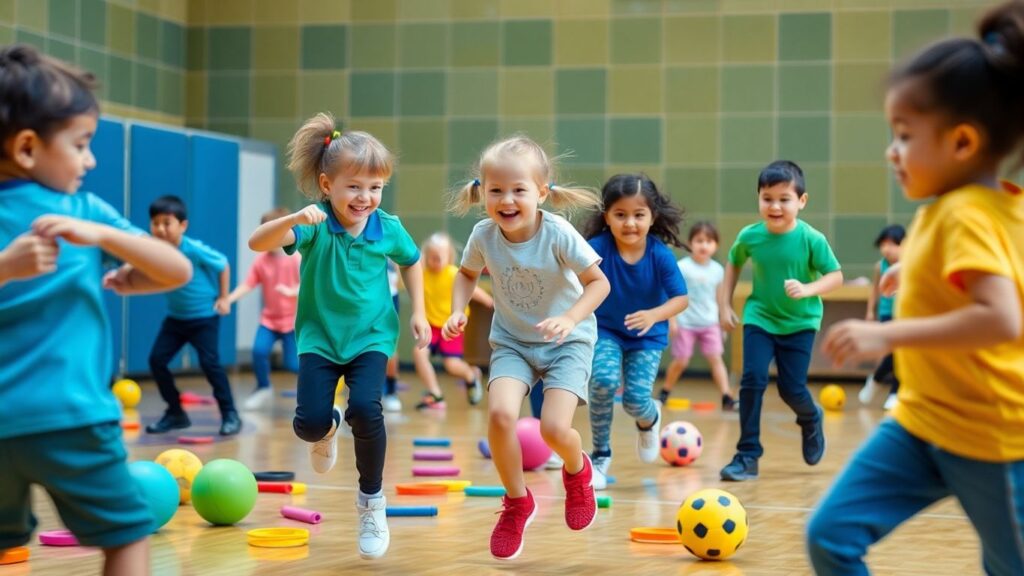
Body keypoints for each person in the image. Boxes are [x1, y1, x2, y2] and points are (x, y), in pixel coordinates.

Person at [809, 4, 1024, 573]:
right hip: (922, 422)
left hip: (991, 438)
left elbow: (1002, 317)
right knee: (831, 535)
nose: (891, 151)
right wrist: (915, 273)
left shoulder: (966, 213)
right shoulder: (959, 208)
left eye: (904, 136)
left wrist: (887, 335)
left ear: (962, 142)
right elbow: (971, 268)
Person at [0, 44, 192, 575]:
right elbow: (179, 270)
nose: (91, 161)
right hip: (75, 418)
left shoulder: (84, 215)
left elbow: (173, 270)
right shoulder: (81, 208)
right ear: (27, 148)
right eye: (81, 145)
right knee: (128, 536)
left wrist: (108, 241)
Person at [248, 113, 430, 560]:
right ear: (327, 185)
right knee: (309, 423)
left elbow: (411, 260)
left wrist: (420, 312)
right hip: (319, 339)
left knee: (366, 409)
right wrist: (294, 216)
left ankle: (371, 501)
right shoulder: (313, 225)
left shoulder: (387, 227)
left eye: (375, 187)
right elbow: (257, 243)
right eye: (354, 186)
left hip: (371, 336)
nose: (365, 197)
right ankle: (325, 427)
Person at [443, 136, 609, 559]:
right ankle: (518, 502)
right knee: (500, 415)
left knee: (553, 429)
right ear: (482, 192)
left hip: (567, 342)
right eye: (496, 190)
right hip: (513, 342)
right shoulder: (484, 235)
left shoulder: (557, 233)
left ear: (542, 192)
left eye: (518, 189)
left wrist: (570, 318)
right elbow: (466, 274)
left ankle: (578, 470)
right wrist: (458, 309)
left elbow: (599, 283)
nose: (507, 200)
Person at [718, 160, 843, 482]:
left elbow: (836, 276)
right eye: (767, 198)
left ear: (801, 201)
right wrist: (724, 304)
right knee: (752, 379)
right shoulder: (750, 236)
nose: (775, 206)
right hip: (760, 316)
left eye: (784, 199)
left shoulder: (811, 238)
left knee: (791, 389)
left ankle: (810, 417)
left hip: (801, 322)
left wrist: (807, 289)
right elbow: (733, 263)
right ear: (759, 198)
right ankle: (747, 455)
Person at [581, 174, 689, 490]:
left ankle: (650, 418)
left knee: (634, 400)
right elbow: (571, 280)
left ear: (652, 217)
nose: (630, 223)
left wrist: (653, 315)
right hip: (606, 330)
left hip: (648, 337)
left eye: (639, 215)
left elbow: (681, 299)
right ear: (607, 217)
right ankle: (600, 456)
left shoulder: (660, 255)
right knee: (602, 382)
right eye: (620, 214)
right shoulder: (595, 250)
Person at [142, 194, 241, 437]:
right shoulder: (154, 249)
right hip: (176, 319)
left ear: (183, 225)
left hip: (203, 318)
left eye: (167, 223)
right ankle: (175, 413)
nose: (160, 228)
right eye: (155, 223)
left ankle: (230, 414)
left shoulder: (193, 249)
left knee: (209, 364)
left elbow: (222, 264)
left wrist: (224, 297)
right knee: (156, 361)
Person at [221, 207, 301, 411]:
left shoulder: (295, 258)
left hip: (292, 322)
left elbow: (310, 285)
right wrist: (228, 299)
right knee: (258, 351)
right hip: (269, 321)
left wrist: (292, 291)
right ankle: (263, 387)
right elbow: (248, 284)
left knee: (293, 364)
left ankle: (315, 390)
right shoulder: (262, 261)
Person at [660, 221, 736, 411]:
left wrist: (722, 322)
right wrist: (672, 321)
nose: (704, 245)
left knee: (716, 358)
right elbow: (672, 295)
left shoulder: (717, 270)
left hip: (709, 323)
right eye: (699, 240)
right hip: (685, 323)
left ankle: (727, 397)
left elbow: (720, 299)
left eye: (709, 241)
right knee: (681, 360)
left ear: (716, 245)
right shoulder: (682, 267)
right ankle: (665, 392)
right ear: (690, 243)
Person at [414, 232, 493, 410]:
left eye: (439, 258)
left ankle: (471, 375)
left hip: (451, 327)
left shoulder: (452, 274)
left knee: (451, 365)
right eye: (431, 257)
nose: (435, 261)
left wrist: (491, 303)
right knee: (419, 353)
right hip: (431, 326)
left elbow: (473, 291)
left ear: (449, 257)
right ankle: (435, 393)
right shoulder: (422, 273)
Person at [858, 224, 905, 410]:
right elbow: (874, 291)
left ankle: (894, 392)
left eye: (892, 244)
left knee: (901, 354)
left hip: (904, 314)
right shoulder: (880, 266)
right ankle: (876, 380)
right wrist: (870, 311)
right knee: (892, 353)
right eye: (884, 244)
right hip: (887, 314)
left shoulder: (909, 264)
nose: (887, 249)